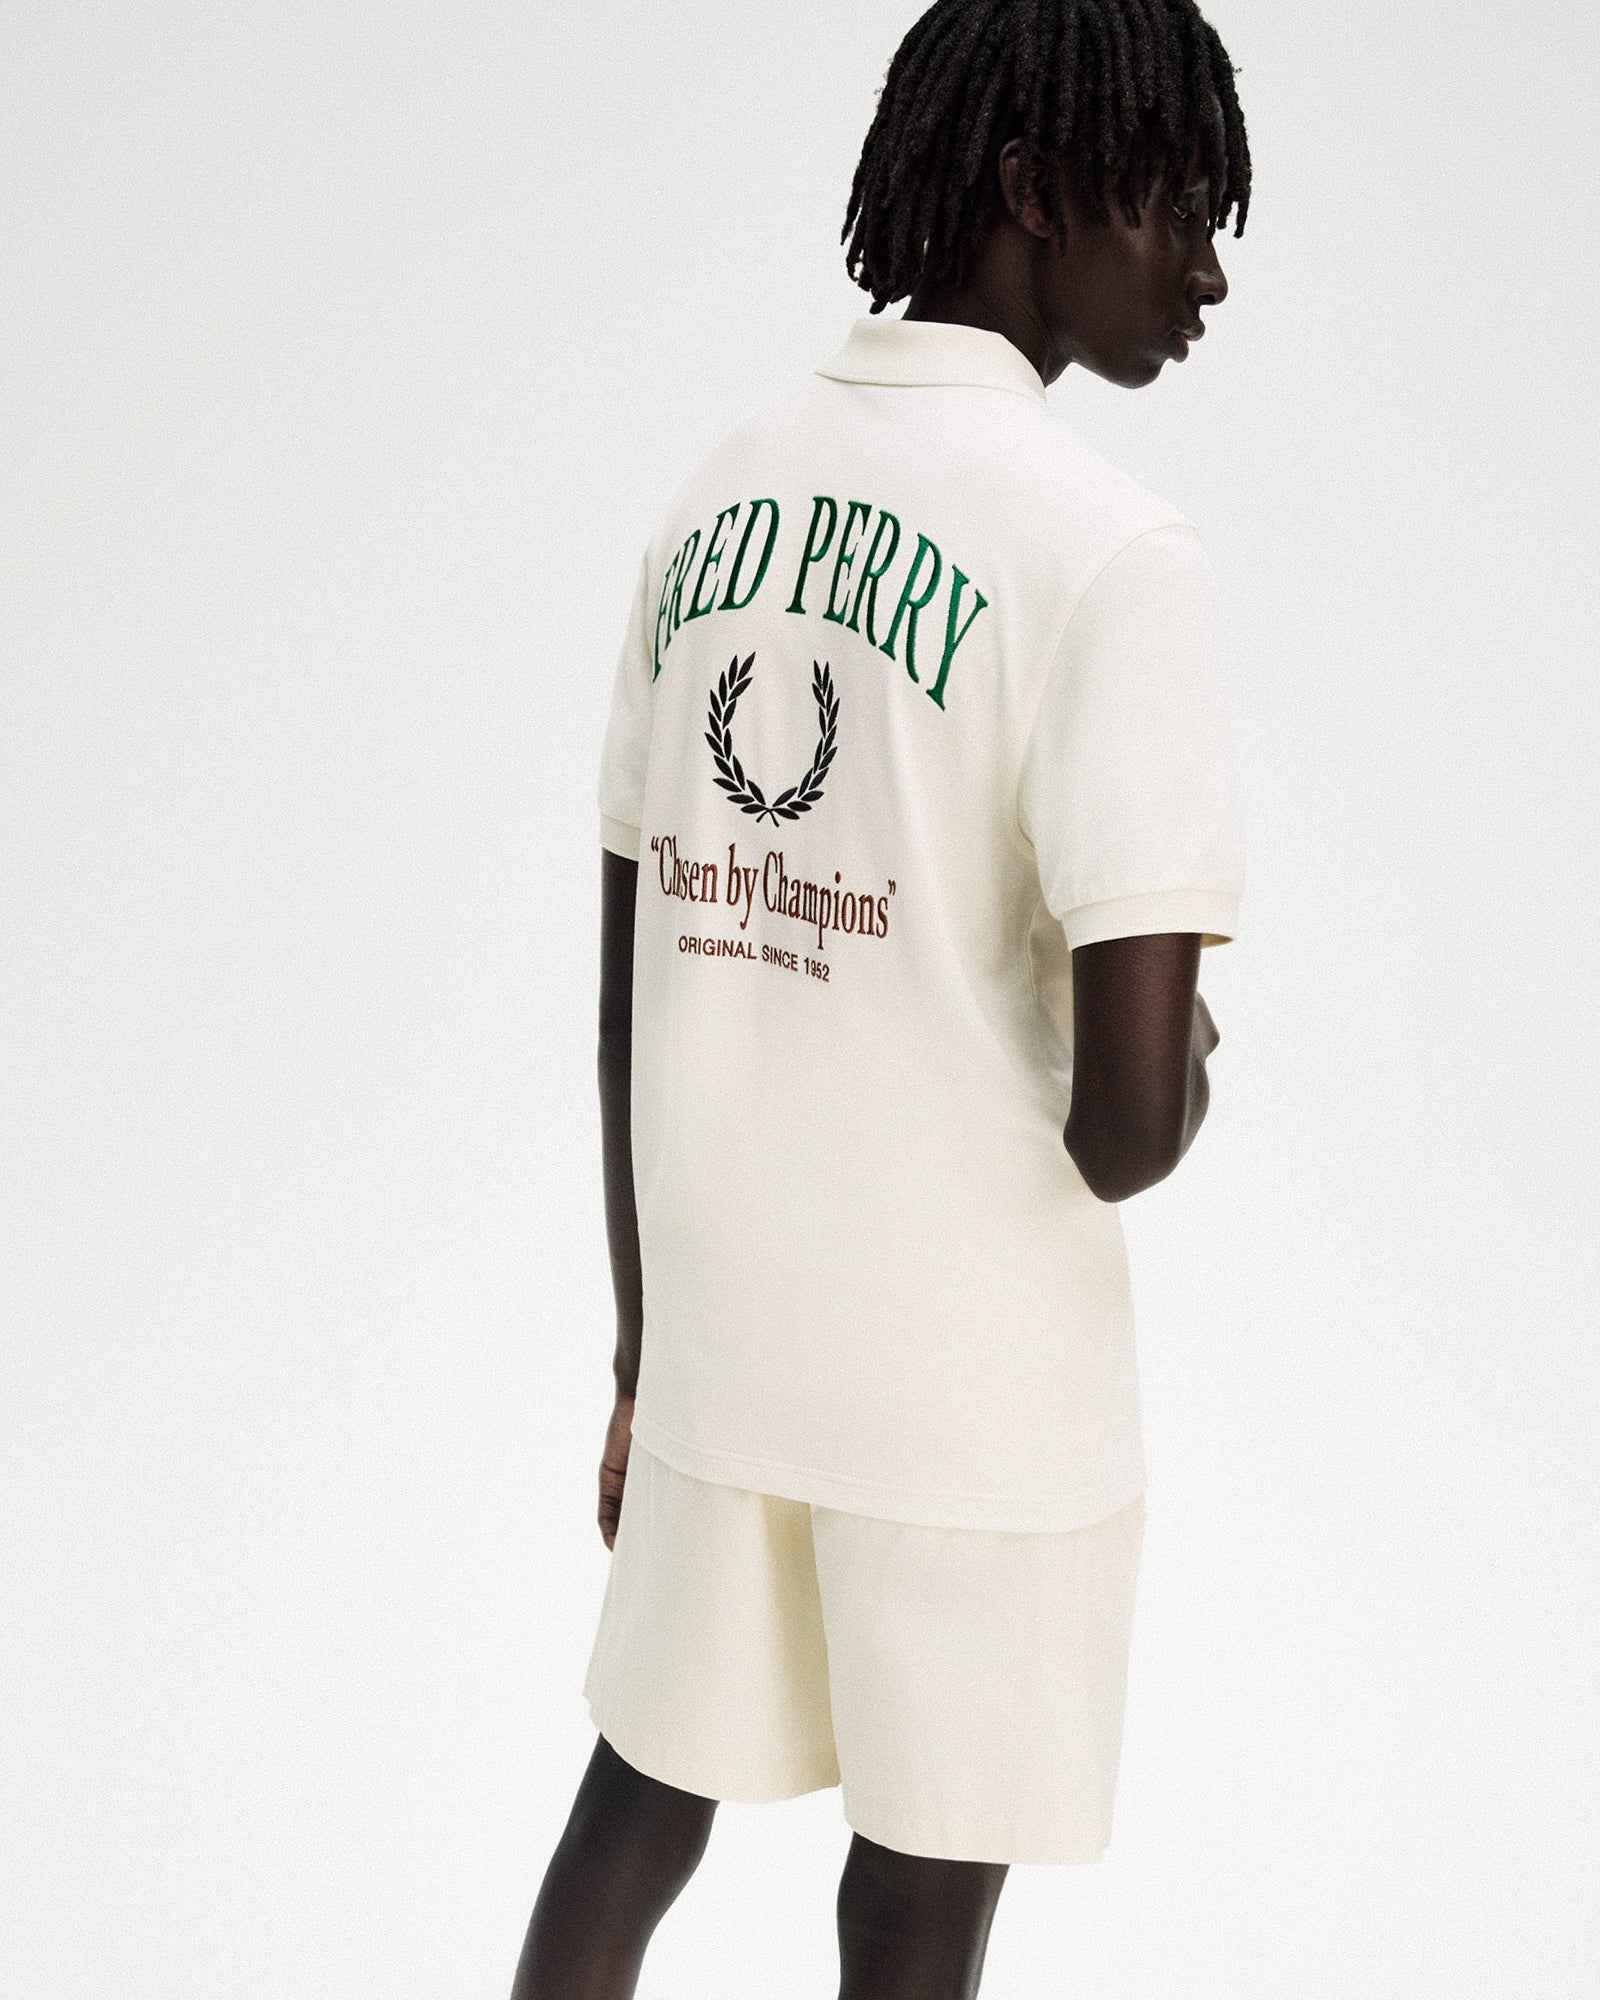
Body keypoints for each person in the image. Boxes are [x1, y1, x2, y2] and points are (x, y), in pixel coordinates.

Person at [511, 1, 1251, 1993]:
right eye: (1175, 206)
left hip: (727, 1334)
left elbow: (632, 999)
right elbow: (1125, 1133)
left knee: (633, 1813)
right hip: (966, 1384)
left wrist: (642, 1361)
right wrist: (1189, 1045)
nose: (1205, 270)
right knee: (916, 1908)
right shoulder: (1113, 560)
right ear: (1031, 187)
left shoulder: (711, 499)